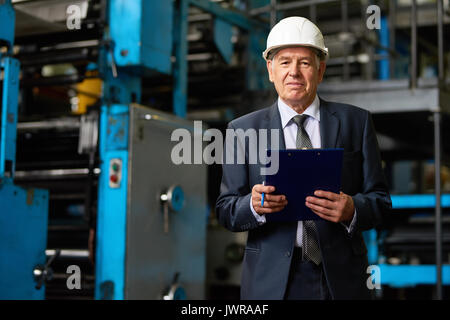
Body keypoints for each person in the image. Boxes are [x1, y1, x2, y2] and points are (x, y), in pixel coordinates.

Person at [215, 16, 391, 300]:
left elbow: (381, 202)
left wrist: (352, 209)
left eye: (305, 63)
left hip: (341, 279)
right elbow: (226, 210)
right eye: (284, 62)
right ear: (270, 70)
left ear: (320, 71)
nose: (294, 72)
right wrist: (254, 205)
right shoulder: (242, 130)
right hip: (272, 282)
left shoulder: (355, 122)